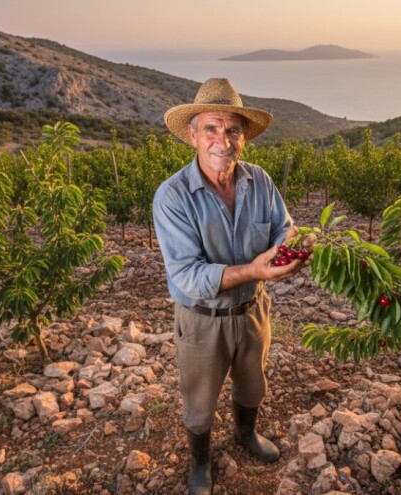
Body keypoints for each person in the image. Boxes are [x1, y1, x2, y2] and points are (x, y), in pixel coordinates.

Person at [153, 78, 309, 495]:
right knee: (200, 401)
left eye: (232, 130)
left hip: (253, 311)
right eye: (211, 128)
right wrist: (256, 269)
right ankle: (200, 461)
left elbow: (283, 227)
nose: (222, 140)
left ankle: (245, 434)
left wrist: (292, 244)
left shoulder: (260, 181)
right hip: (203, 319)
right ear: (192, 135)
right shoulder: (172, 197)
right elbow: (187, 276)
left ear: (244, 137)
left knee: (252, 384)